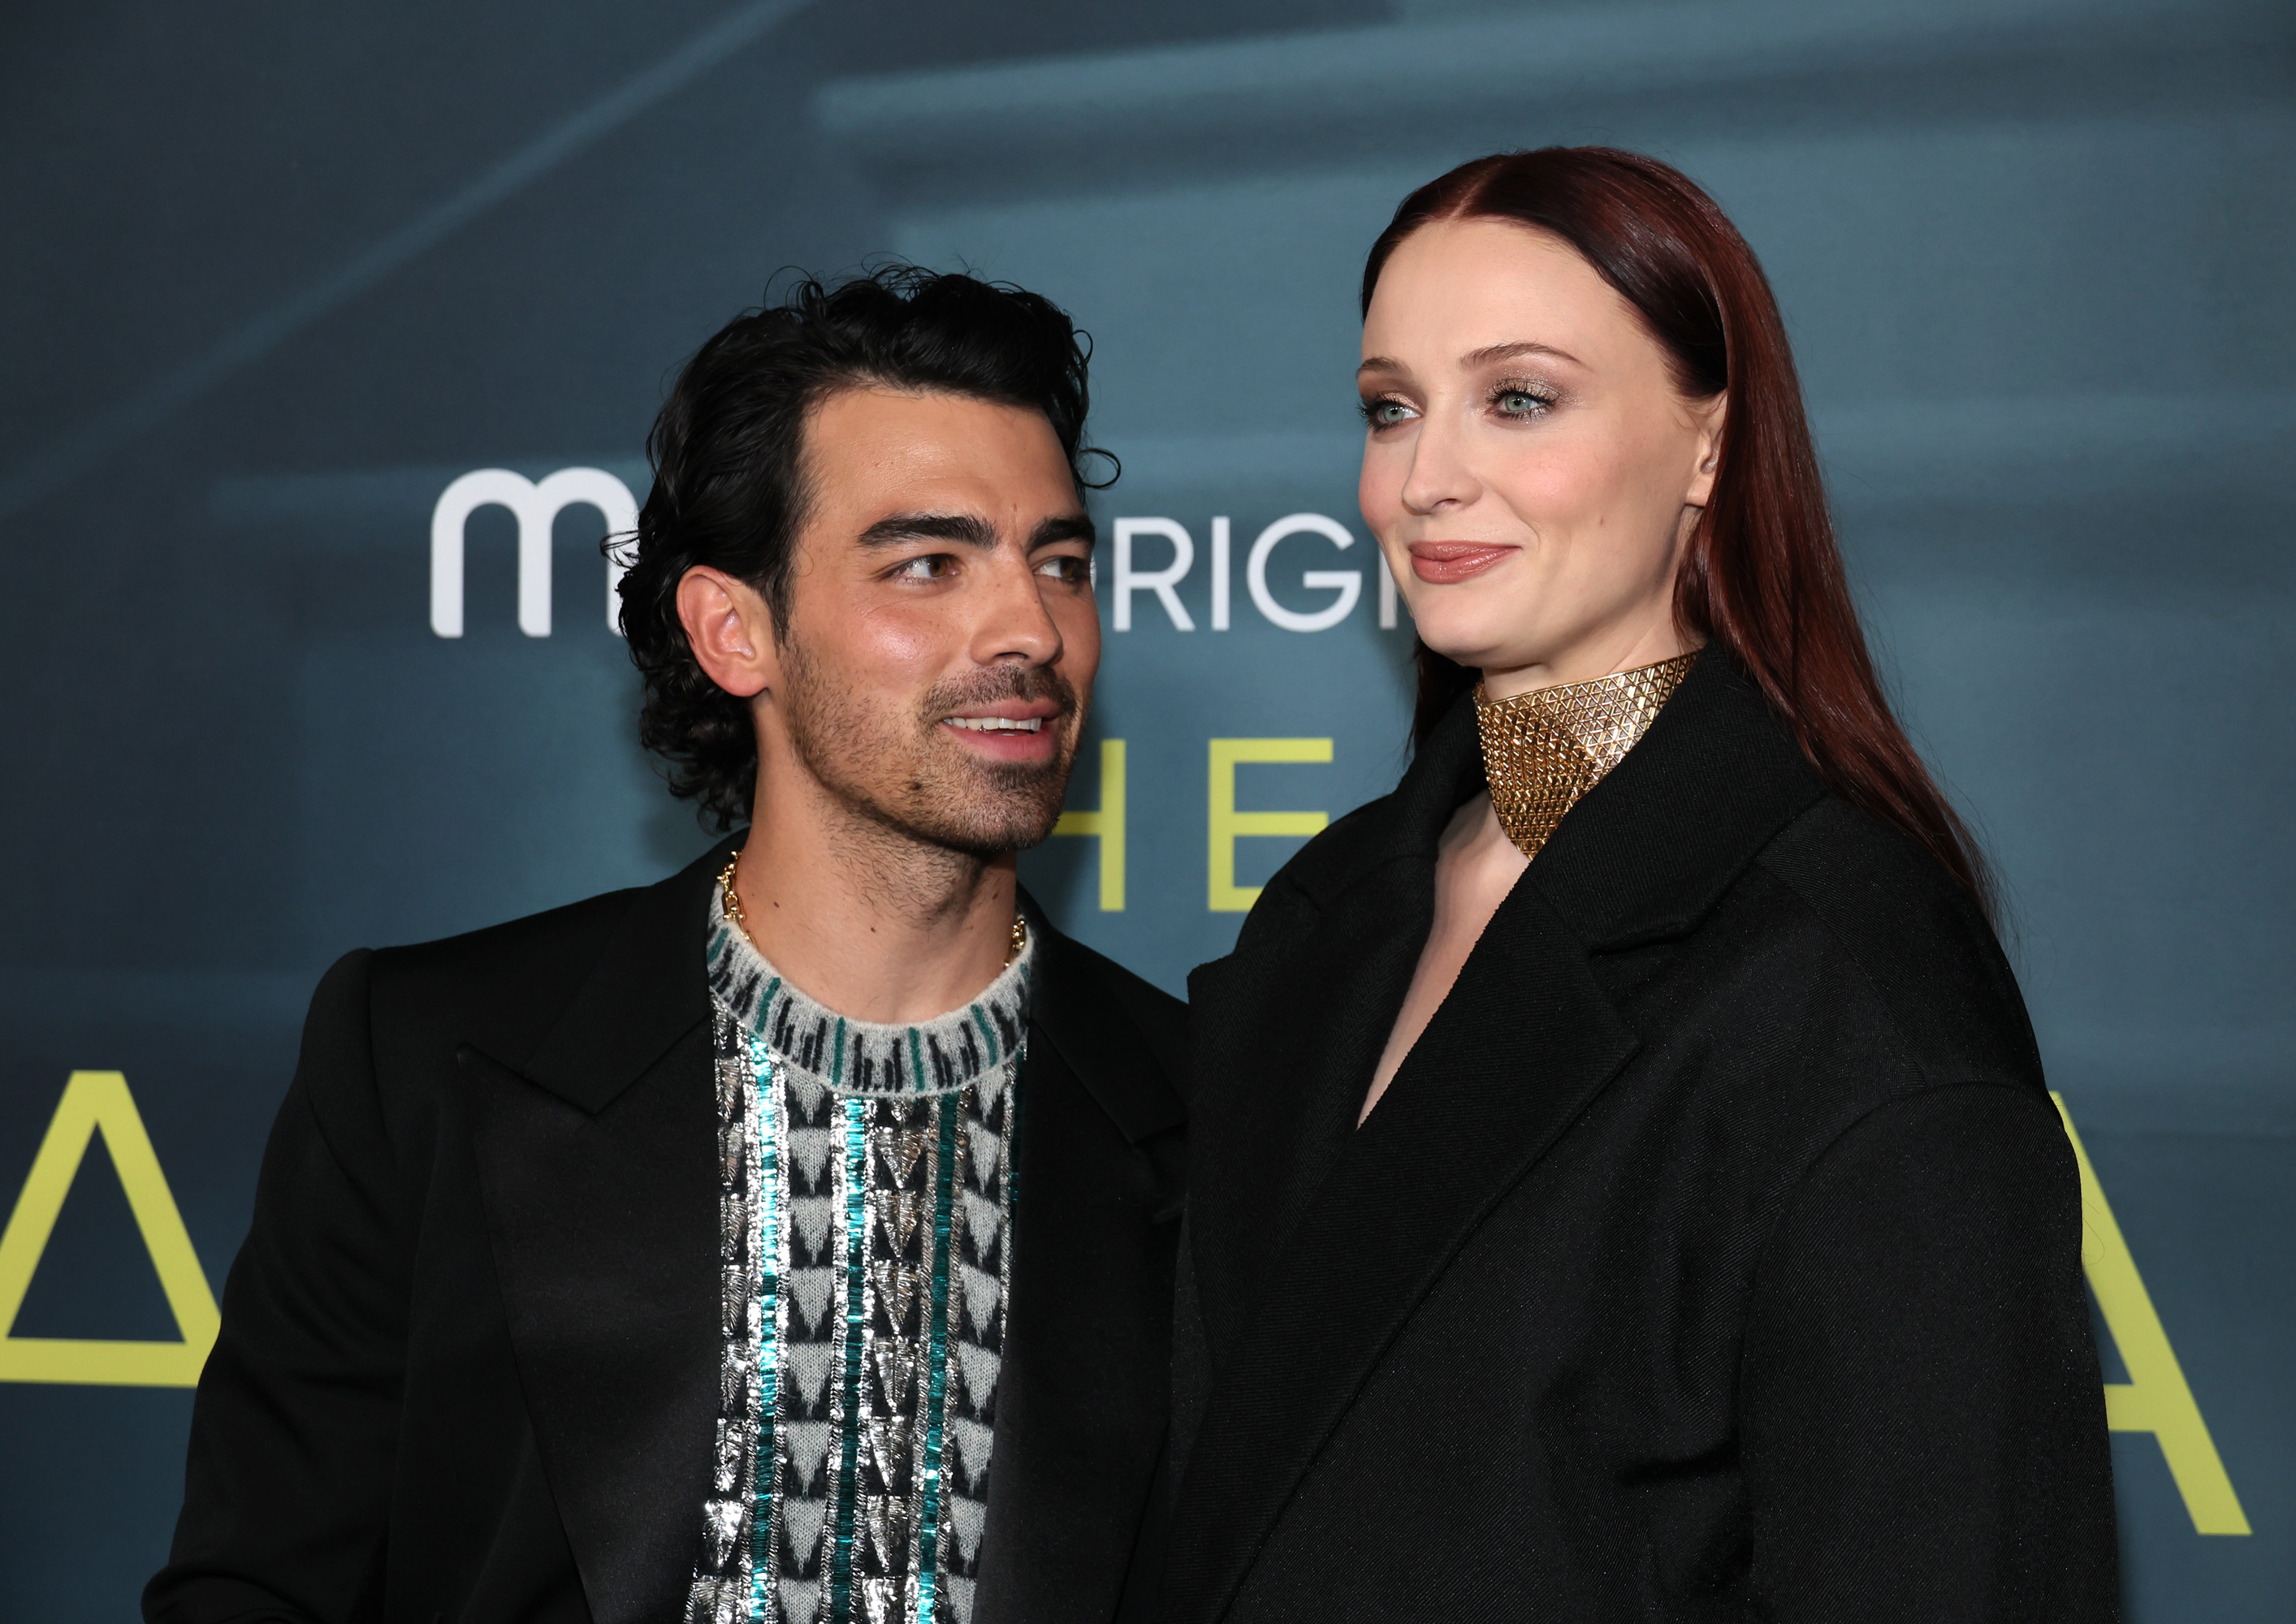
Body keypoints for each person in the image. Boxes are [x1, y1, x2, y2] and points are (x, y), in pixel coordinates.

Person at [146, 269, 1184, 1624]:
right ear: (734, 629)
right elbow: (259, 1591)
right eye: (927, 564)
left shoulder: (1211, 1107)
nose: (1030, 631)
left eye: (1059, 563)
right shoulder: (426, 1065)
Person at [1162, 149, 2117, 1621]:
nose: (1427, 478)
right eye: (1390, 408)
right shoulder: (1327, 910)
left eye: (1519, 399)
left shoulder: (1844, 972)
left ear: (1709, 448)